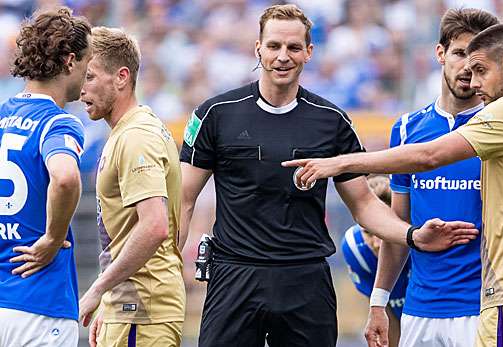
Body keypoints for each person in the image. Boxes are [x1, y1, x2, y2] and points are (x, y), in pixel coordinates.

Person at [179, 4, 478, 347]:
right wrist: (172, 269)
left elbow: (364, 203)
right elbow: (184, 201)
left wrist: (411, 236)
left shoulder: (331, 120)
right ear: (257, 48)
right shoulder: (216, 114)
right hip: (235, 276)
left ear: (309, 52)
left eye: (293, 47)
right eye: (274, 46)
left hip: (305, 282)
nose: (282, 56)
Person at [284, 23, 503, 347]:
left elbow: (429, 156)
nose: (474, 81)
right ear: (440, 54)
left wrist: (340, 163)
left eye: (482, 70)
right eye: (466, 63)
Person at [364, 9, 498, 347]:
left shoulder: (501, 127)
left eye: (479, 58)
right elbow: (399, 224)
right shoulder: (407, 128)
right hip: (419, 310)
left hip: (484, 309)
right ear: (440, 53)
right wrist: (378, 302)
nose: (468, 66)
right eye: (459, 53)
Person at [78, 27, 185, 347]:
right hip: (129, 308)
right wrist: (112, 300)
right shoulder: (131, 129)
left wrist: (98, 289)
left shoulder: (136, 137)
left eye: (90, 77)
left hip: (143, 311)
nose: (81, 89)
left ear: (122, 77)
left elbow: (154, 227)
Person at [0, 7, 91, 346]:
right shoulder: (57, 122)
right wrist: (53, 238)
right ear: (70, 61)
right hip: (39, 304)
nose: (88, 72)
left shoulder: (2, 116)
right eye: (87, 61)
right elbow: (65, 177)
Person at [341, 175, 410, 347]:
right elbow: (382, 314)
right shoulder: (355, 249)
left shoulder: (420, 240)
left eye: (384, 231)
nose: (377, 243)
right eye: (368, 232)